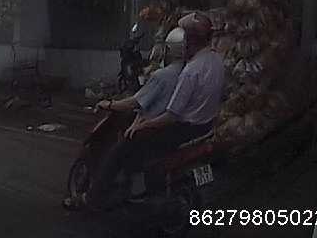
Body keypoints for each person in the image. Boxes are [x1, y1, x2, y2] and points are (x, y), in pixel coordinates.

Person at [85, 12, 224, 210]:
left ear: (189, 41)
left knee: (121, 148)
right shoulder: (217, 61)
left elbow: (171, 115)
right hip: (206, 127)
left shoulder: (189, 72)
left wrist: (143, 125)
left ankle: (94, 198)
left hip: (182, 129)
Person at [63, 27, 186, 210]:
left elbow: (134, 102)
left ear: (168, 49)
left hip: (151, 128)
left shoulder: (163, 75)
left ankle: (91, 198)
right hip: (172, 129)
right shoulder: (187, 71)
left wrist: (109, 104)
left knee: (114, 156)